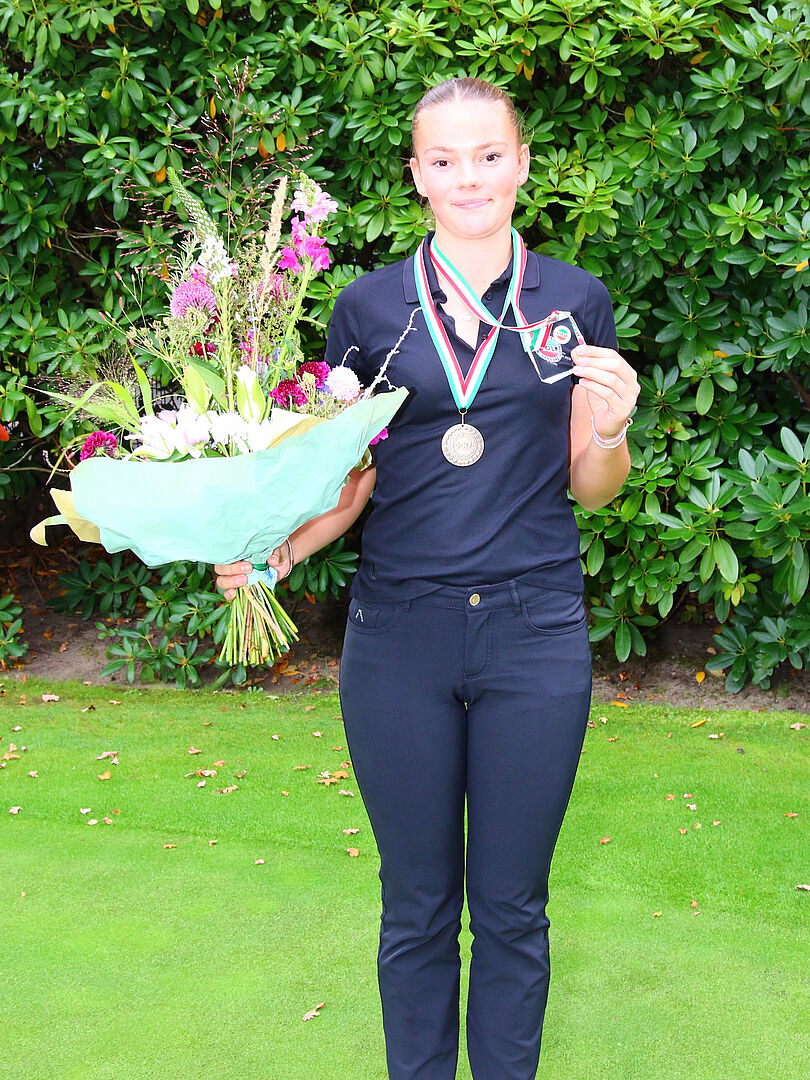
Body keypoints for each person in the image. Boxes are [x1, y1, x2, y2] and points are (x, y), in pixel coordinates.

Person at [215, 77, 639, 1080]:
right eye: (444, 160)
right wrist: (280, 549)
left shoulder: (574, 300)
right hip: (399, 635)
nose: (469, 177)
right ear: (417, 174)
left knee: (512, 909)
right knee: (415, 906)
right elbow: (353, 479)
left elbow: (592, 487)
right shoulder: (367, 307)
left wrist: (612, 428)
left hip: (535, 632)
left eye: (488, 155)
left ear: (521, 163)